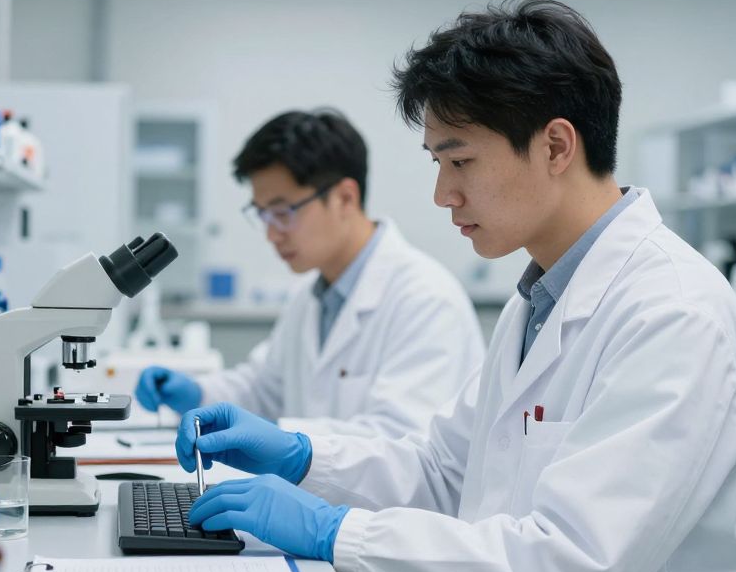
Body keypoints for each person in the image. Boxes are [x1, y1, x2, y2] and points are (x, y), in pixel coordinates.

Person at [175, 0, 736, 572]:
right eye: (437, 164)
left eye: (461, 162)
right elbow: (443, 471)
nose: (442, 194)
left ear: (556, 145)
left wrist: (336, 533)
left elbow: (571, 570)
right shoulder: (540, 299)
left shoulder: (672, 314)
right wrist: (305, 456)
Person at [135, 109, 484, 441]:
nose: (271, 234)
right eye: (262, 214)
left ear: (345, 198)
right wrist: (199, 393)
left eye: (283, 212)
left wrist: (287, 443)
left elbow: (404, 443)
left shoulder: (425, 300)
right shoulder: (310, 295)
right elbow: (264, 389)